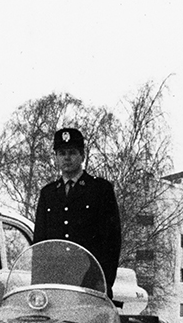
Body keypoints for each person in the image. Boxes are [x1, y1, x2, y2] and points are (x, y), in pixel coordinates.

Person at [33, 127, 122, 298]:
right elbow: (39, 243)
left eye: (72, 152)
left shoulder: (100, 190)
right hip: (55, 282)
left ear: (82, 155)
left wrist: (103, 280)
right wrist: (38, 283)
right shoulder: (48, 193)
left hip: (89, 280)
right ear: (56, 158)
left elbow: (111, 240)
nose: (67, 158)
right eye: (61, 153)